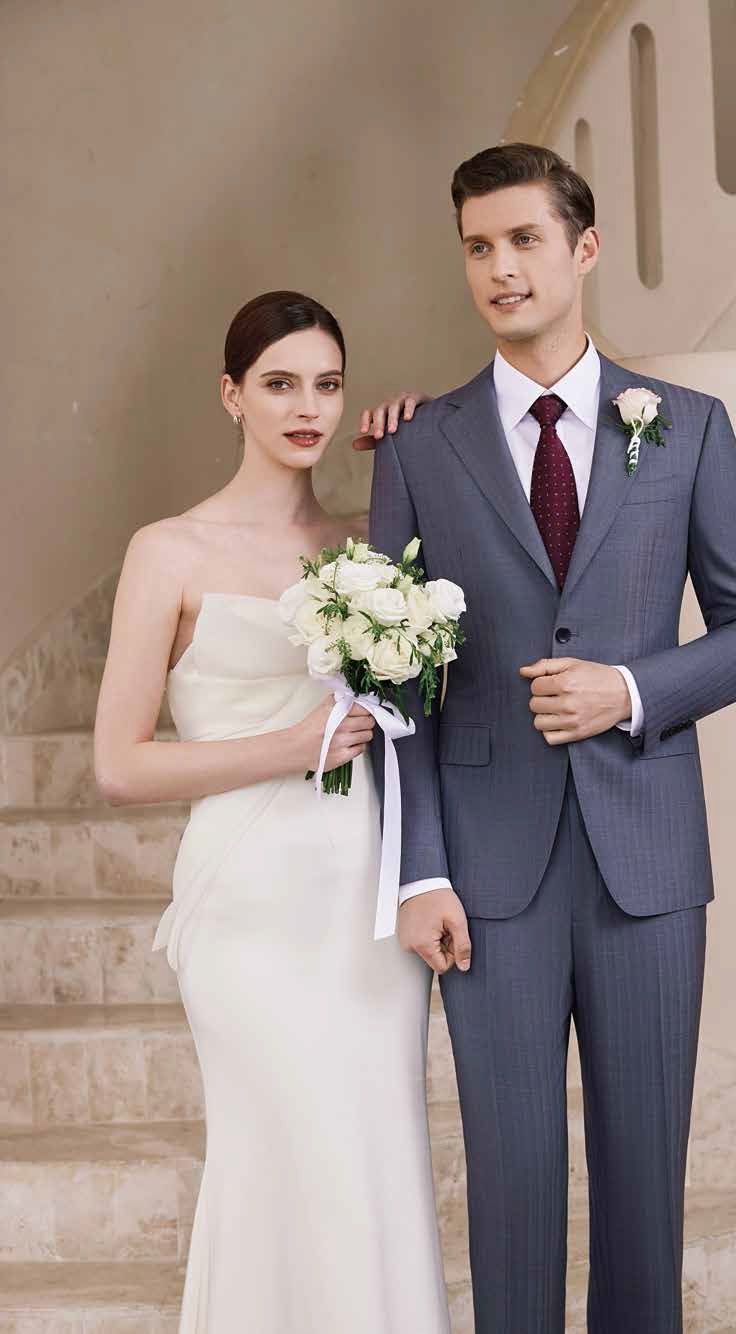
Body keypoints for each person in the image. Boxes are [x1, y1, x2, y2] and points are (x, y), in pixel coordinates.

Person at [361, 143, 736, 1334]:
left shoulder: (685, 427)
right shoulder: (417, 445)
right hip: (483, 872)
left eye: (523, 239)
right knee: (507, 1188)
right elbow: (396, 681)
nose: (499, 268)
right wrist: (419, 867)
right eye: (477, 246)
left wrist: (630, 688)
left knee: (644, 1184)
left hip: (645, 860)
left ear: (582, 247)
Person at [92, 290, 450, 1334]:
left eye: (327, 385)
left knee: (370, 1159)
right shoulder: (167, 550)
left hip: (361, 899)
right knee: (279, 1158)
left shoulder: (368, 545)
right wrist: (290, 749)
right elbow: (118, 765)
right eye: (280, 384)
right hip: (246, 903)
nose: (307, 408)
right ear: (231, 395)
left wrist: (420, 447)